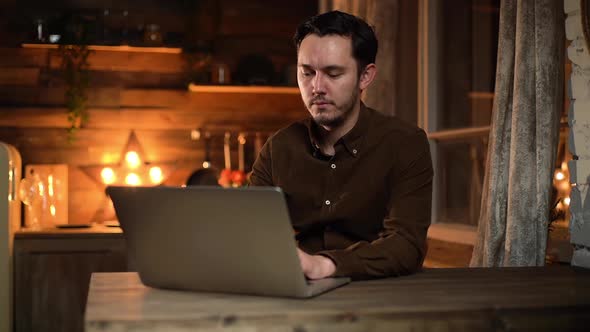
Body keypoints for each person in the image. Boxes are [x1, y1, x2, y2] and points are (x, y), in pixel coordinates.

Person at [249, 10, 433, 280]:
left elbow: (406, 245)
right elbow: (249, 232)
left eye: (333, 74)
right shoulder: (279, 148)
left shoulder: (405, 143)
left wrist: (325, 265)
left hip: (382, 292)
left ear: (365, 77)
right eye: (307, 73)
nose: (317, 87)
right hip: (299, 291)